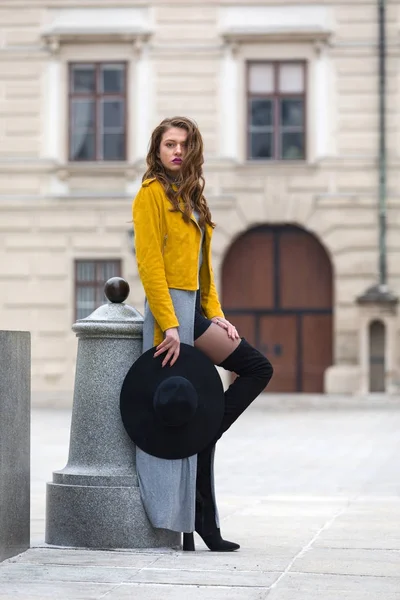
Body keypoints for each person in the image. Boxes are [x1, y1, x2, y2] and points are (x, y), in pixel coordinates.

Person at [132, 116, 273, 552]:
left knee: (254, 369)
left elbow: (203, 271)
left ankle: (203, 507)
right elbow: (149, 263)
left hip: (195, 310)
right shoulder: (151, 195)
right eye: (168, 144)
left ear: (193, 151)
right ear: (157, 150)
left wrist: (218, 315)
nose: (176, 151)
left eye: (183, 145)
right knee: (250, 371)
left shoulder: (193, 198)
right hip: (173, 317)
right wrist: (170, 324)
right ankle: (200, 524)